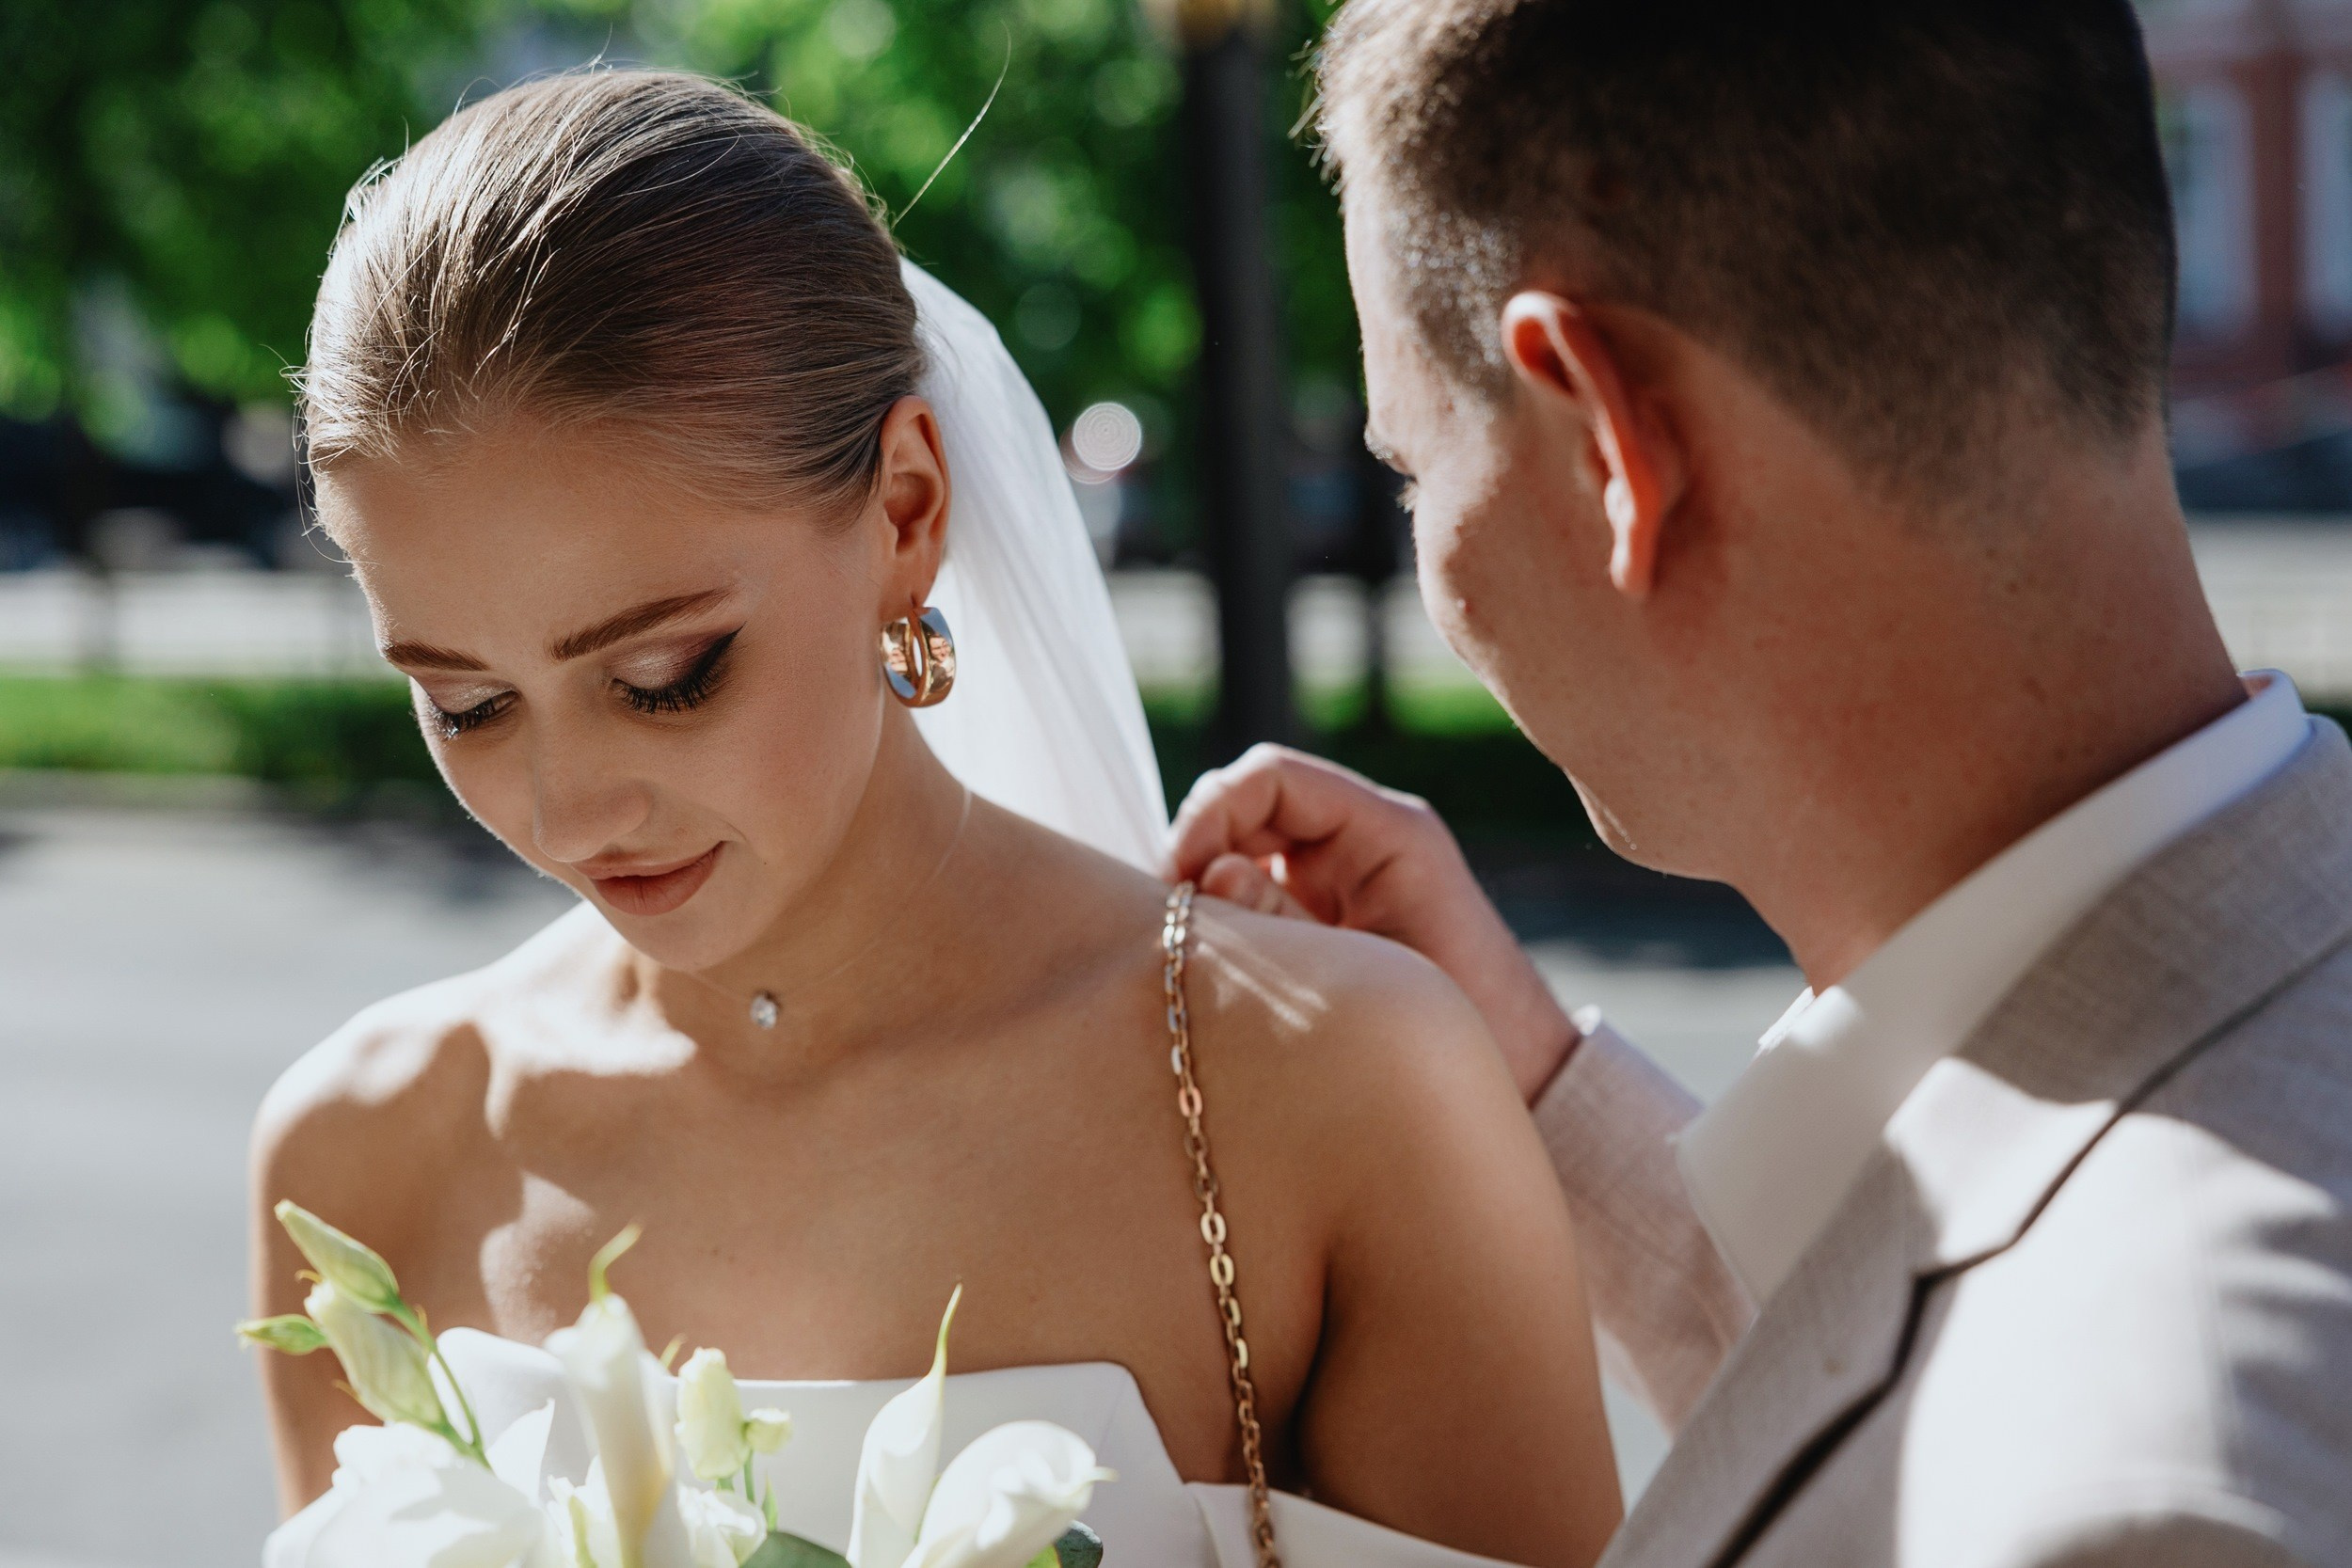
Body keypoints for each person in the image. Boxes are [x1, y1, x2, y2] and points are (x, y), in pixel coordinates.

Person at [247, 71, 1624, 1568]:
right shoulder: (363, 1154)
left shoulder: (1325, 1093)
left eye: (666, 675)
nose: (568, 807)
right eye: (465, 704)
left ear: (905, 511)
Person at [1171, 2, 2352, 1563]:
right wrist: (1527, 1070)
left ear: (1612, 444)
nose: (1418, 526)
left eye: (1412, 463)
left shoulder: (2126, 1504)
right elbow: (1917, 1364)